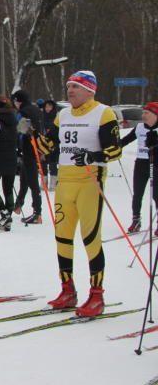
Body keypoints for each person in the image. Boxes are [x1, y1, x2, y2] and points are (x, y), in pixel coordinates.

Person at [36, 70, 122, 317]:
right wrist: (33, 136)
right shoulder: (63, 115)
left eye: (75, 86)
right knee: (62, 238)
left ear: (89, 90)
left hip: (89, 182)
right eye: (68, 86)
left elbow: (114, 151)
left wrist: (93, 156)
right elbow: (49, 146)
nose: (70, 90)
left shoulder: (103, 113)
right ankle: (67, 290)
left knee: (90, 237)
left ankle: (96, 296)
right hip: (65, 181)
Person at [119, 102, 158, 234]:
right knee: (137, 194)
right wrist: (114, 146)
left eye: (147, 113)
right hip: (141, 163)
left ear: (155, 115)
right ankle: (136, 220)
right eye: (143, 113)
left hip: (156, 164)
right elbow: (126, 140)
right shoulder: (140, 127)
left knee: (156, 195)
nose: (143, 116)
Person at [12, 90, 44, 224]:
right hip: (36, 147)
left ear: (18, 100)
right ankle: (18, 205)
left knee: (32, 181)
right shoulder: (35, 109)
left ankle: (37, 213)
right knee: (25, 178)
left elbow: (20, 130)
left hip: (29, 147)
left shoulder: (24, 112)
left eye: (15, 101)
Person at [0, 95, 18, 231]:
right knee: (8, 188)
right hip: (11, 157)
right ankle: (8, 218)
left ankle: (5, 213)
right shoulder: (13, 118)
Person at [41, 99, 59, 190]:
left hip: (54, 143)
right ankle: (44, 182)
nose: (47, 108)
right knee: (43, 163)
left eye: (49, 106)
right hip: (43, 143)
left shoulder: (56, 117)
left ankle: (53, 183)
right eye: (46, 106)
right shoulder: (42, 116)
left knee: (53, 163)